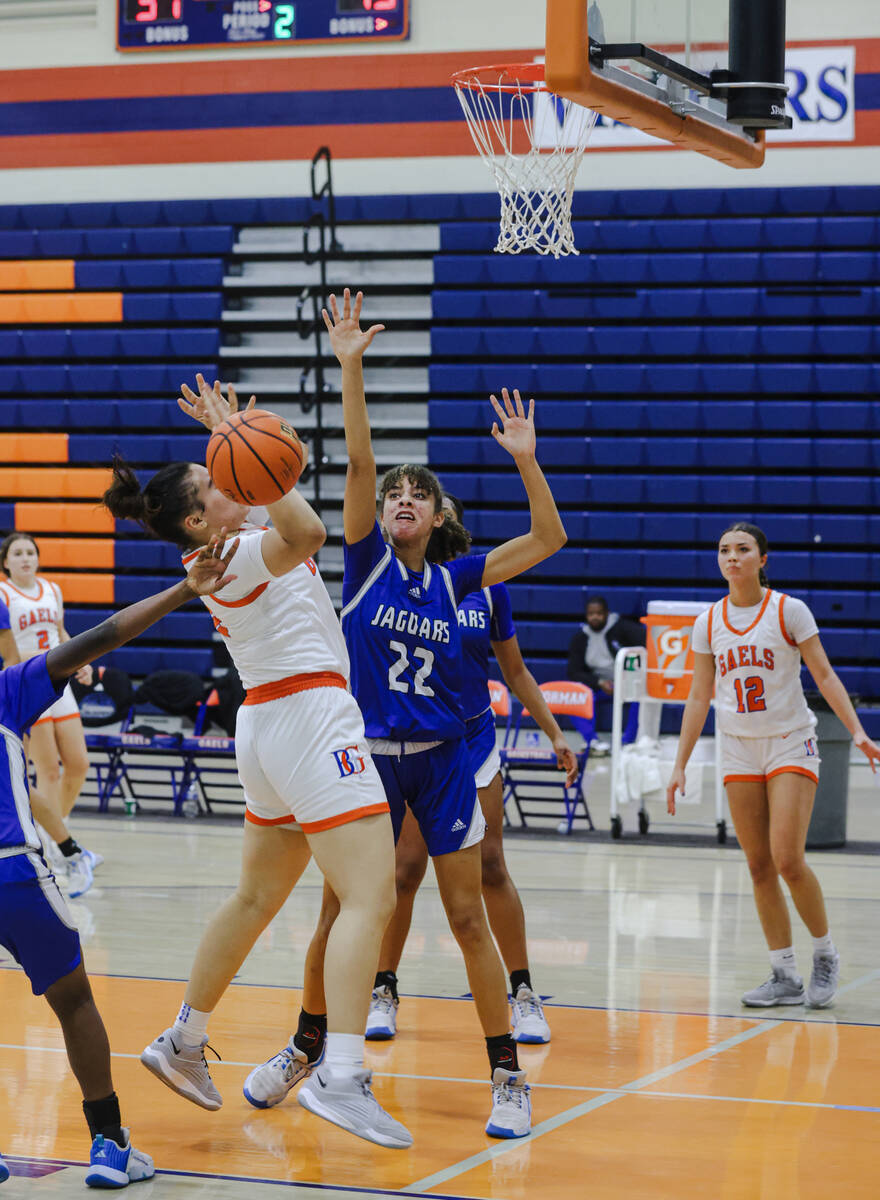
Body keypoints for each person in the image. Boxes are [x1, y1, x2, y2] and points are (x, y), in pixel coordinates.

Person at [244, 289, 567, 1140]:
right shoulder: (364, 564)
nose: (403, 499)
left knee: (466, 918)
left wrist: (527, 460)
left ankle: (507, 1075)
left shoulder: (460, 580)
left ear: (438, 514)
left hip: (443, 758)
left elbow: (548, 541)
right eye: (396, 493)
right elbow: (356, 467)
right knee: (340, 912)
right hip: (363, 759)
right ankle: (305, 1048)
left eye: (419, 494)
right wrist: (350, 366)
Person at [104, 376, 410, 1150]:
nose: (223, 476)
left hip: (269, 724)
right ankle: (341, 1074)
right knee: (371, 897)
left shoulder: (231, 547)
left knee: (253, 900)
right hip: (308, 717)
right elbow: (307, 532)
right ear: (195, 521)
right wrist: (238, 438)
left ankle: (182, 1038)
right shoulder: (235, 551)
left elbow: (294, 505)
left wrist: (238, 436)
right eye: (212, 483)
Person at [0, 527, 239, 1189]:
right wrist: (186, 590)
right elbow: (104, 635)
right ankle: (108, 1144)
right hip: (14, 868)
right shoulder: (8, 687)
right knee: (74, 1002)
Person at [361, 490, 578, 1045]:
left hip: (473, 737)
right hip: (419, 739)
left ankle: (523, 991)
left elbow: (517, 670)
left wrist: (554, 731)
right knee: (404, 871)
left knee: (491, 867)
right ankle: (383, 987)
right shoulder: (391, 582)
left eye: (447, 510)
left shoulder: (486, 588)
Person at [667, 522, 880, 1008]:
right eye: (724, 550)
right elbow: (699, 695)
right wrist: (680, 764)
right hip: (739, 746)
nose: (732, 557)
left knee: (787, 858)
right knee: (759, 865)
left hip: (789, 742)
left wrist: (859, 732)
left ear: (763, 560)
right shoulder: (709, 621)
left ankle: (825, 954)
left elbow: (824, 675)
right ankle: (783, 973)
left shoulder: (789, 610)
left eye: (743, 549)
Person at [0, 533, 100, 898]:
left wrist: (82, 662)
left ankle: (58, 834)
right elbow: (9, 654)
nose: (25, 558)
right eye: (17, 553)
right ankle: (59, 847)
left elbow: (61, 635)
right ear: (6, 561)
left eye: (30, 552)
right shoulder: (3, 595)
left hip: (60, 684)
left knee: (78, 764)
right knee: (48, 771)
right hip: (29, 686)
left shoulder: (52, 589)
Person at [566, 594, 645, 748]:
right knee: (575, 697)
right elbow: (573, 671)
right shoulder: (580, 638)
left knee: (640, 697)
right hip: (599, 685)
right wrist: (599, 683)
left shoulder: (623, 628)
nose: (595, 617)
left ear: (607, 613)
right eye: (591, 614)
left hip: (626, 682)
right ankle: (592, 741)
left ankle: (627, 742)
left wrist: (626, 679)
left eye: (599, 614)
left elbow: (645, 646)